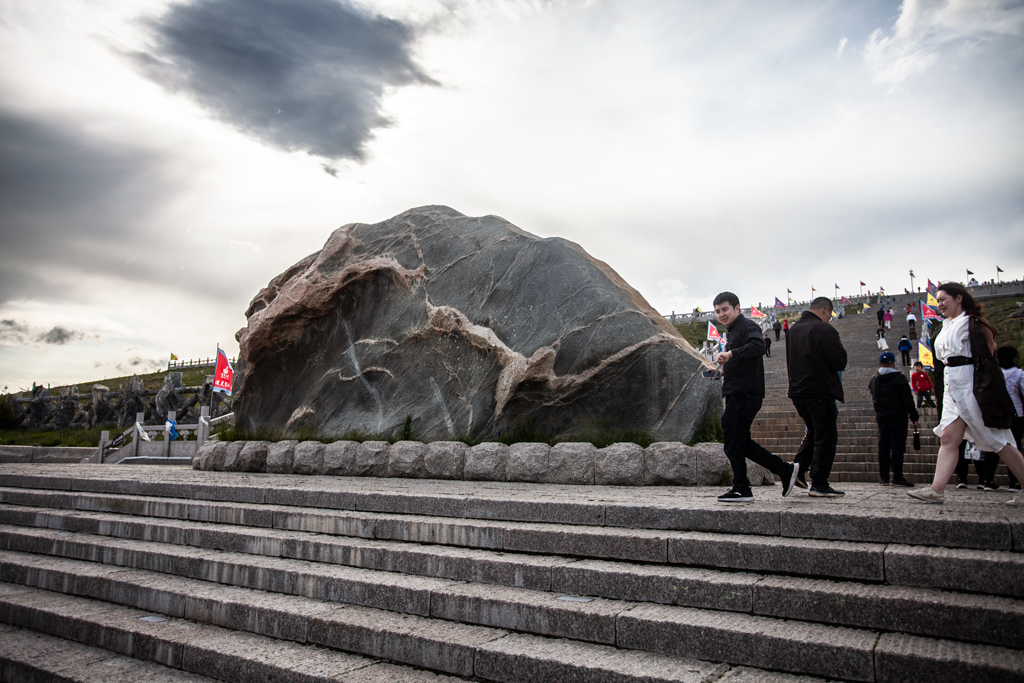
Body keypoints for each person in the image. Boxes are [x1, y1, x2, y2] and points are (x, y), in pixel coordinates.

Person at [907, 282, 1024, 505]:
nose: (939, 303)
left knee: (997, 439)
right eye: (938, 300)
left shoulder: (973, 323)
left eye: (944, 299)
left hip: (972, 382)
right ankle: (936, 489)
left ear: (959, 298)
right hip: (952, 382)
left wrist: (987, 389)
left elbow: (989, 354)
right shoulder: (944, 326)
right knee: (949, 437)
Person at [712, 292, 800, 503]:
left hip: (745, 392)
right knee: (740, 441)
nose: (721, 314)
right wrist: (725, 370)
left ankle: (742, 487)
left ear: (736, 308)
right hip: (738, 390)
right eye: (717, 311)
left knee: (733, 441)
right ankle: (784, 471)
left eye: (725, 309)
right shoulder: (733, 331)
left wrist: (731, 355)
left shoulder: (747, 326)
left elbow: (758, 346)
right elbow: (745, 358)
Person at [786, 297, 848, 497]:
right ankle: (819, 482)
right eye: (829, 314)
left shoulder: (793, 330)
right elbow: (840, 360)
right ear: (824, 310)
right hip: (819, 390)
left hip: (798, 391)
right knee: (826, 436)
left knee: (813, 432)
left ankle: (798, 470)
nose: (829, 318)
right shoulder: (823, 329)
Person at [869, 351, 919, 486]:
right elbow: (907, 400)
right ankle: (897, 476)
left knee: (883, 447)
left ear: (880, 363)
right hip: (898, 417)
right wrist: (914, 416)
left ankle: (884, 477)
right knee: (897, 447)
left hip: (881, 418)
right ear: (893, 363)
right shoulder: (900, 378)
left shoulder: (874, 379)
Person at [997, 345, 1024, 492]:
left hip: (998, 413)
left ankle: (986, 479)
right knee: (1015, 445)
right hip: (1017, 413)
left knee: (997, 445)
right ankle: (1015, 481)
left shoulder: (995, 373)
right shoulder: (1019, 373)